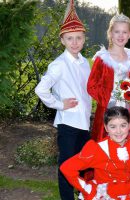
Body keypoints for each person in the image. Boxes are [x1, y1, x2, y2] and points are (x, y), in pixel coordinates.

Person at [34, 0, 91, 199]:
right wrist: (60, 104)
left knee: (84, 163)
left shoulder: (85, 63)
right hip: (68, 123)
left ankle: (83, 194)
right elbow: (41, 89)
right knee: (67, 165)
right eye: (69, 38)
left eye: (78, 38)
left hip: (84, 123)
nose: (74, 42)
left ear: (84, 39)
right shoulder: (58, 64)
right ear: (62, 41)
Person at [60, 106, 130, 200]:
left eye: (123, 125)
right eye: (113, 127)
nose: (119, 131)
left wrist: (118, 189)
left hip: (129, 189)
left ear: (129, 125)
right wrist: (86, 188)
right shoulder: (97, 148)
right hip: (104, 194)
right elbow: (67, 168)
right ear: (106, 128)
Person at [87, 13, 130, 142]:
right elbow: (91, 85)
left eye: (124, 32)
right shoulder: (102, 58)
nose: (121, 35)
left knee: (129, 141)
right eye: (117, 32)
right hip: (107, 108)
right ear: (110, 33)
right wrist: (107, 98)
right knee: (106, 143)